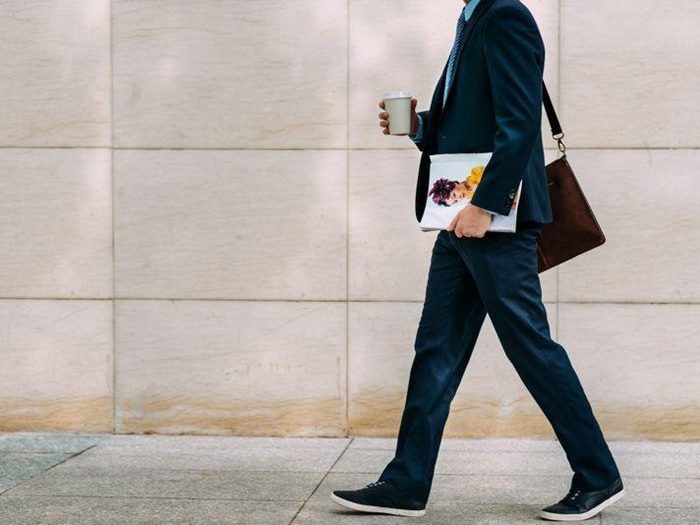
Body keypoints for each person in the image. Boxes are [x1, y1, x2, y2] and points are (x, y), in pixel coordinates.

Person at [330, 0, 625, 521]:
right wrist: (421, 127)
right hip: (458, 217)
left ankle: (599, 476)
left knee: (531, 347)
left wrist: (486, 205)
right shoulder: (472, 18)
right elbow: (475, 120)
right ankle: (406, 482)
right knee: (436, 347)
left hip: (493, 221)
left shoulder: (506, 15)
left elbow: (517, 123)